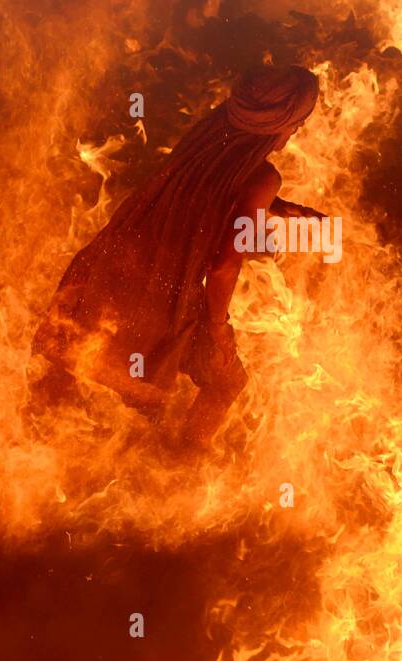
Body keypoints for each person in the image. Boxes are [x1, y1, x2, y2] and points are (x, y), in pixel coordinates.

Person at [29, 64, 324, 447]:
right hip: (154, 297)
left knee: (71, 363)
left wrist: (273, 205)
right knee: (226, 382)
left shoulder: (207, 134)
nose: (296, 129)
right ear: (282, 122)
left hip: (104, 269)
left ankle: (36, 443)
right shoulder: (262, 177)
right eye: (298, 121)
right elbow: (222, 267)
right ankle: (183, 463)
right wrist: (218, 329)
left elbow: (204, 186)